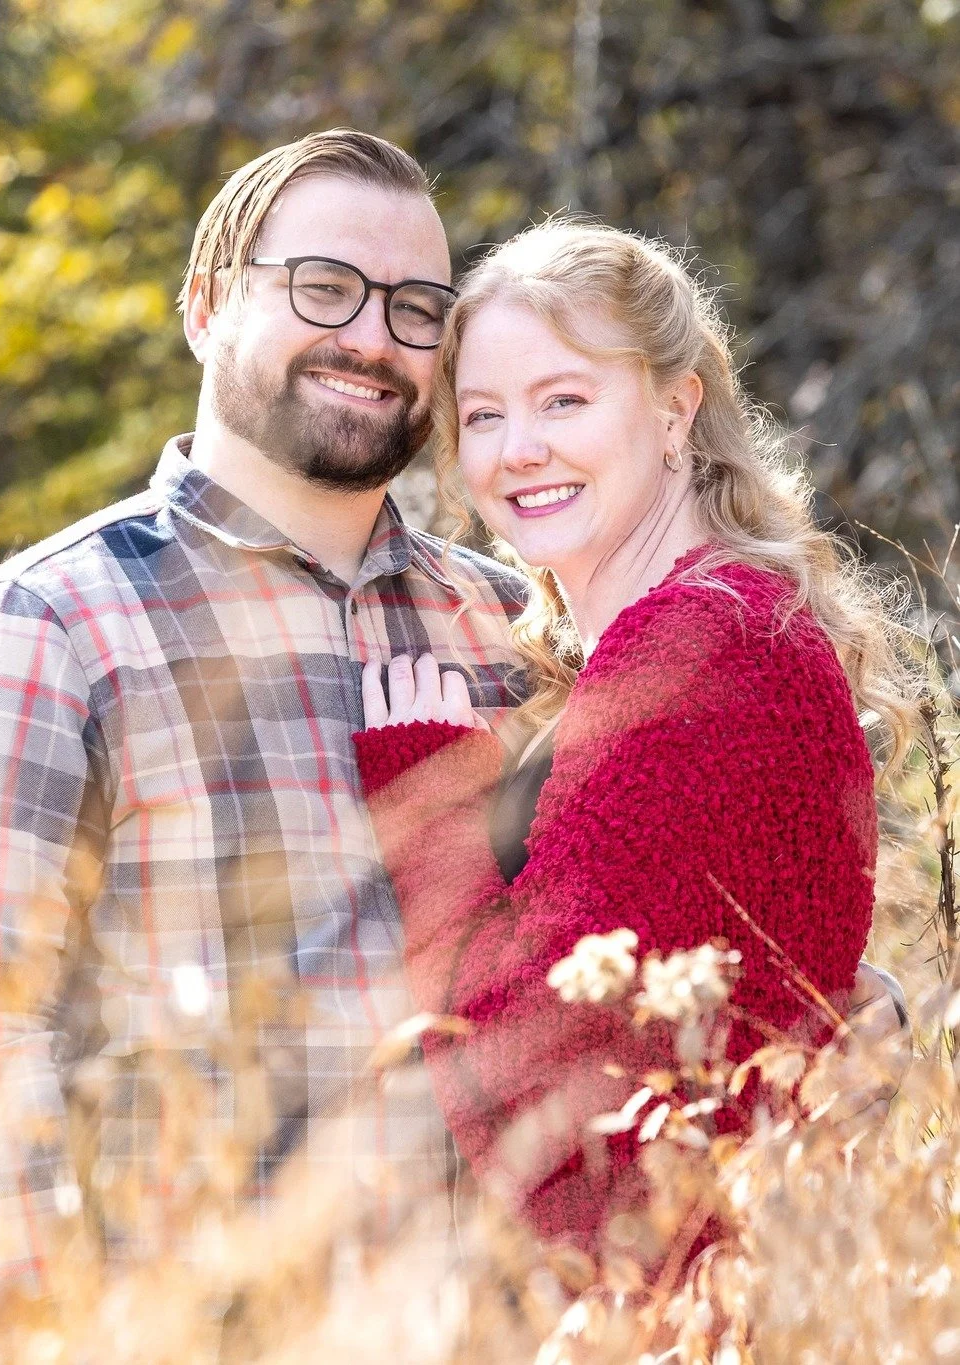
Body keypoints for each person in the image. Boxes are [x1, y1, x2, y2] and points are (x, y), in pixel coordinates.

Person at [0, 133, 905, 1303]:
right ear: (208, 306)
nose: (372, 338)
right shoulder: (52, 623)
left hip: (514, 1322)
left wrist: (849, 1020)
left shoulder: (514, 624)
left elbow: (648, 923)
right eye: (322, 287)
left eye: (418, 308)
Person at [353, 219, 919, 1267]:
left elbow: (526, 1069)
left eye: (564, 399)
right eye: (483, 415)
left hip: (665, 1298)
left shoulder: (700, 646)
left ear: (674, 409)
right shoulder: (707, 626)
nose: (519, 449)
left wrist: (426, 792)